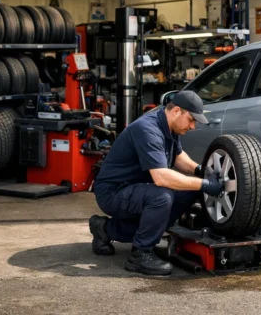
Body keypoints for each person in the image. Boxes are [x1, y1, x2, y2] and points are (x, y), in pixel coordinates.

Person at [89, 90, 224, 276]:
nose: (193, 126)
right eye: (191, 119)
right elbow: (161, 177)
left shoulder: (170, 127)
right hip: (112, 192)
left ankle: (105, 229)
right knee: (162, 197)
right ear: (176, 111)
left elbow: (178, 156)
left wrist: (200, 170)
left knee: (186, 192)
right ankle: (140, 255)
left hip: (137, 188)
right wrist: (205, 184)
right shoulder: (147, 129)